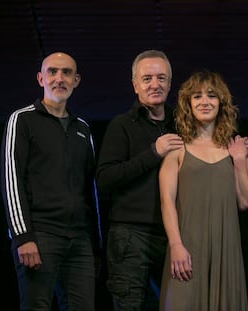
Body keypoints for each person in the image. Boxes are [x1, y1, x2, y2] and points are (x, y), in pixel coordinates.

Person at [0, 52, 102, 310]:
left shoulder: (83, 129)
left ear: (76, 80)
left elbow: (92, 191)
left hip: (79, 241)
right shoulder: (22, 119)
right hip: (40, 235)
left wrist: (95, 244)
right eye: (53, 72)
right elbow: (11, 180)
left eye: (67, 72)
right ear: (40, 78)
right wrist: (23, 237)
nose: (59, 78)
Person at [96, 49, 184, 311]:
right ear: (135, 85)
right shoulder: (122, 125)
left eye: (161, 78)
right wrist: (153, 153)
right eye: (147, 79)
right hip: (129, 235)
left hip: (173, 236)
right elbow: (104, 179)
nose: (154, 84)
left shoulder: (182, 125)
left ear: (170, 82)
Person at [158, 70, 248, 311]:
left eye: (211, 95)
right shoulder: (177, 150)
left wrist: (240, 161)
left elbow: (244, 201)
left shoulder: (233, 149)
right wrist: (176, 245)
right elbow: (166, 201)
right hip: (187, 247)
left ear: (221, 102)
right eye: (197, 96)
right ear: (188, 104)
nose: (204, 101)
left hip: (225, 249)